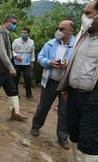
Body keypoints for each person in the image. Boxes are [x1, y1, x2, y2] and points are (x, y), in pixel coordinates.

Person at [57, 0, 98, 162]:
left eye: (88, 13)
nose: (84, 17)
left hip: (93, 99)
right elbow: (74, 63)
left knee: (89, 138)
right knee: (73, 131)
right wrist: (66, 86)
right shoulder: (83, 36)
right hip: (74, 94)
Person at [30, 20, 75, 150]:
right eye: (58, 28)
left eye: (61, 29)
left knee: (65, 111)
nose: (58, 31)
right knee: (43, 106)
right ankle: (36, 126)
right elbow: (40, 57)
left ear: (70, 31)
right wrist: (49, 62)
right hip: (50, 81)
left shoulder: (77, 45)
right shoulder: (50, 43)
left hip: (67, 83)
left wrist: (68, 66)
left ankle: (62, 137)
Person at [12, 27, 35, 98]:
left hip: (27, 63)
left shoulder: (31, 42)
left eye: (25, 33)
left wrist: (32, 62)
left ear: (28, 34)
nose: (23, 34)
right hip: (17, 62)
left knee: (28, 77)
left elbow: (32, 52)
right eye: (22, 32)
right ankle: (15, 93)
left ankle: (28, 93)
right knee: (15, 78)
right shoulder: (16, 41)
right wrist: (16, 56)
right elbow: (11, 50)